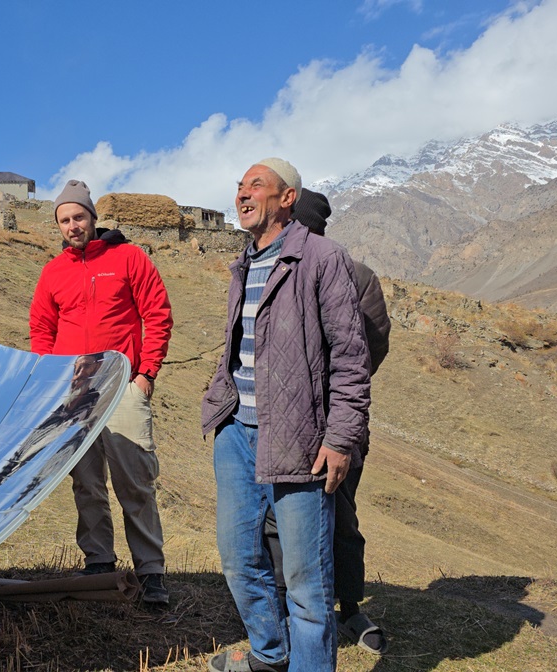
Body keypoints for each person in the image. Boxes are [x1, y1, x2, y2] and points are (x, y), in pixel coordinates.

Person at [202, 160, 371, 671]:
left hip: (300, 438)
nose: (242, 194)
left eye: (256, 185)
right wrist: (220, 402)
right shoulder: (244, 263)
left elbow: (351, 356)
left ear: (287, 197)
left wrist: (340, 438)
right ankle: (270, 656)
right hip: (237, 432)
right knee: (239, 560)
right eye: (239, 186)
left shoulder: (322, 257)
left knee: (305, 580)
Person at [30, 179, 174, 605]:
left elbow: (157, 313)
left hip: (123, 384)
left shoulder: (128, 257)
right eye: (64, 220)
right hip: (75, 391)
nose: (72, 226)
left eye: (78, 217)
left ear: (93, 218)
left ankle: (150, 571)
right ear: (58, 225)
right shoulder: (53, 272)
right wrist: (52, 379)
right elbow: (41, 328)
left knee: (135, 480)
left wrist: (146, 373)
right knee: (86, 481)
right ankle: (98, 563)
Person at [261, 189, 391, 655]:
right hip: (283, 423)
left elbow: (368, 350)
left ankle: (350, 608)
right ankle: (288, 607)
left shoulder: (357, 276)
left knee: (341, 516)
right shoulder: (270, 268)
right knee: (277, 518)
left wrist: (322, 391)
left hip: (339, 421)